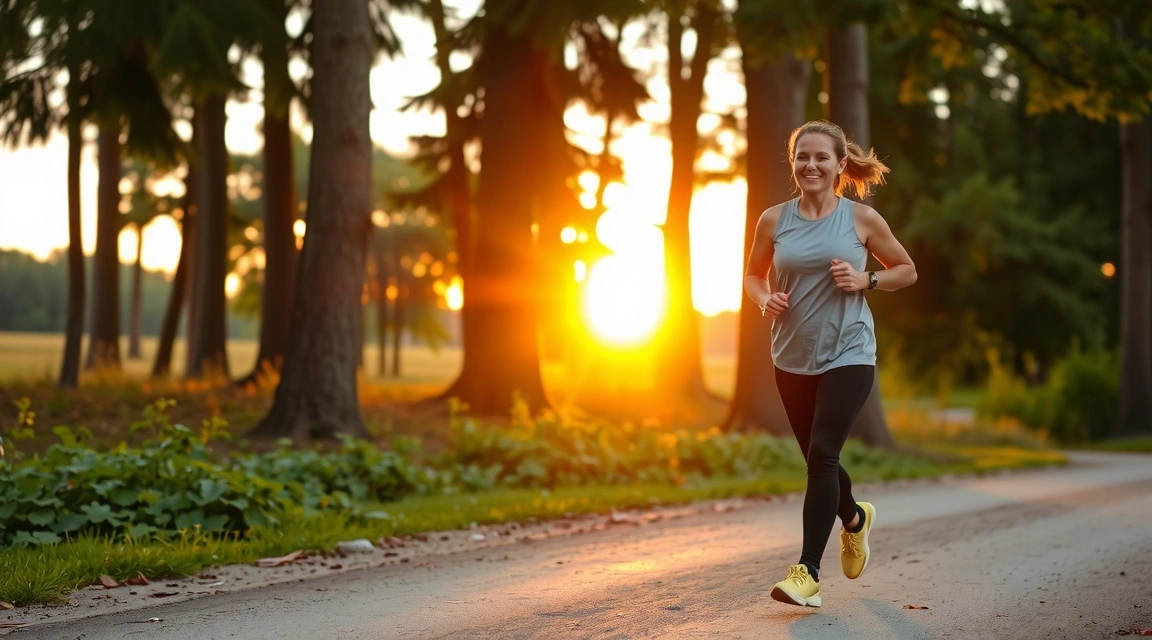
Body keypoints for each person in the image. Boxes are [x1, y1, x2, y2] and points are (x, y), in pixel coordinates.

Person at [743, 120, 917, 608]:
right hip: (792, 356)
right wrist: (763, 300)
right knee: (820, 459)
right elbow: (753, 275)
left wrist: (867, 281)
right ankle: (855, 519)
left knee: (822, 454)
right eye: (803, 157)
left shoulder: (861, 219)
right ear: (793, 163)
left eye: (821, 157)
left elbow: (906, 270)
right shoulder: (773, 220)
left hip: (849, 351)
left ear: (841, 165)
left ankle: (807, 574)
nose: (811, 165)